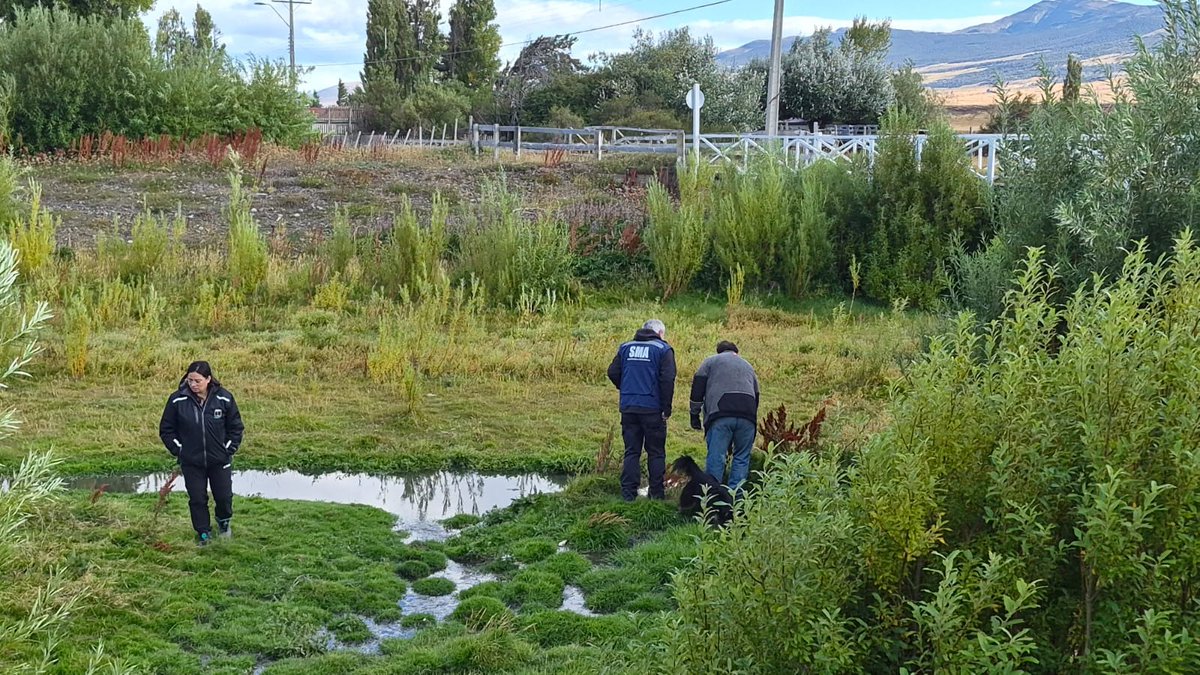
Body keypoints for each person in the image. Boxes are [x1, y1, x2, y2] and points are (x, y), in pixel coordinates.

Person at [159, 361, 244, 546]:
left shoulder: (225, 398)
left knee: (223, 497)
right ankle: (203, 533)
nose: (193, 385)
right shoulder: (177, 400)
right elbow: (166, 430)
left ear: (208, 379)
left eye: (197, 381)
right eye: (190, 380)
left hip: (219, 460)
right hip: (191, 461)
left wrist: (227, 449)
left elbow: (236, 428)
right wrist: (180, 450)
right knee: (197, 499)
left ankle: (223, 523)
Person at [607, 319, 676, 501]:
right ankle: (656, 495)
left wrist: (627, 388)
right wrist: (666, 409)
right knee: (656, 452)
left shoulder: (626, 347)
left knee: (632, 451)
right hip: (653, 409)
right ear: (660, 333)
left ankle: (628, 495)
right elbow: (667, 379)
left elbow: (612, 372)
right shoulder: (663, 350)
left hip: (629, 407)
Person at [689, 340, 759, 492]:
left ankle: (712, 498)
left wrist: (694, 415)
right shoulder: (748, 366)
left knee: (717, 456)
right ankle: (735, 502)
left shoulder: (711, 361)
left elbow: (697, 388)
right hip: (748, 416)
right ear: (736, 352)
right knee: (741, 458)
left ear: (719, 351)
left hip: (720, 415)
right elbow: (756, 394)